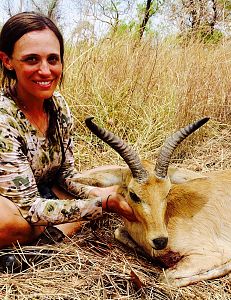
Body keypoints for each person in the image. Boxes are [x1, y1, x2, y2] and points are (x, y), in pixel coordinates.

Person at [0, 12, 136, 268]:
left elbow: (67, 175)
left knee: (95, 184)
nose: (45, 70)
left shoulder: (57, 105)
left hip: (40, 193)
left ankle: (38, 243)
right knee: (9, 221)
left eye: (53, 59)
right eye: (31, 59)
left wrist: (96, 194)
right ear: (7, 61)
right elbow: (29, 208)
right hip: (16, 205)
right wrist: (101, 204)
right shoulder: (3, 117)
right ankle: (40, 240)